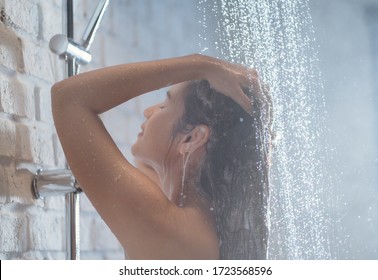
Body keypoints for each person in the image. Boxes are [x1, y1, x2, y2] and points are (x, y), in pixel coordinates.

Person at [51, 54, 273, 259]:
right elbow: (144, 165)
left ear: (192, 139)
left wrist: (200, 65)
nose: (148, 111)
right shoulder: (206, 226)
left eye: (164, 104)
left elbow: (70, 98)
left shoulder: (173, 230)